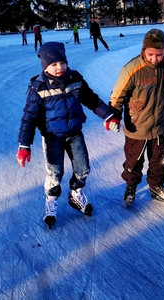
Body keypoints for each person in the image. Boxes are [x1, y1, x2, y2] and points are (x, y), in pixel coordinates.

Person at [16, 41, 120, 229]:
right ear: (45, 66)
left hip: (75, 133)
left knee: (83, 169)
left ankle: (75, 194)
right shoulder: (38, 87)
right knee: (55, 173)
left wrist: (109, 115)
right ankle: (51, 200)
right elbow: (29, 118)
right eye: (54, 64)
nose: (59, 68)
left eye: (62, 62)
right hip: (52, 137)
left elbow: (91, 99)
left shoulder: (75, 79)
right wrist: (24, 146)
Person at [109, 29, 164, 208]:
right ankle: (131, 187)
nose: (155, 59)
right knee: (133, 161)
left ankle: (156, 186)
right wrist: (113, 116)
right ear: (143, 50)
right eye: (150, 54)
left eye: (159, 55)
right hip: (136, 126)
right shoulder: (132, 69)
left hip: (158, 125)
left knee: (159, 159)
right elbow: (118, 96)